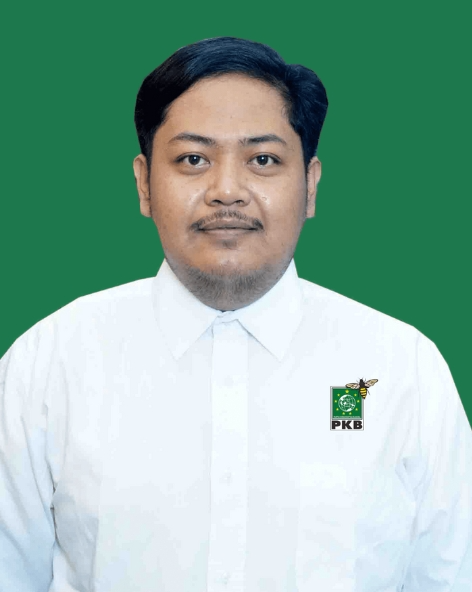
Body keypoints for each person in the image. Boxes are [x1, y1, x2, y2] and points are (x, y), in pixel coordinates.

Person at [0, 36, 471, 591]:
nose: (227, 191)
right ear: (144, 183)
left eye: (263, 160)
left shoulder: (401, 368)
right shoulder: (50, 362)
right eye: (193, 160)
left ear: (310, 185)